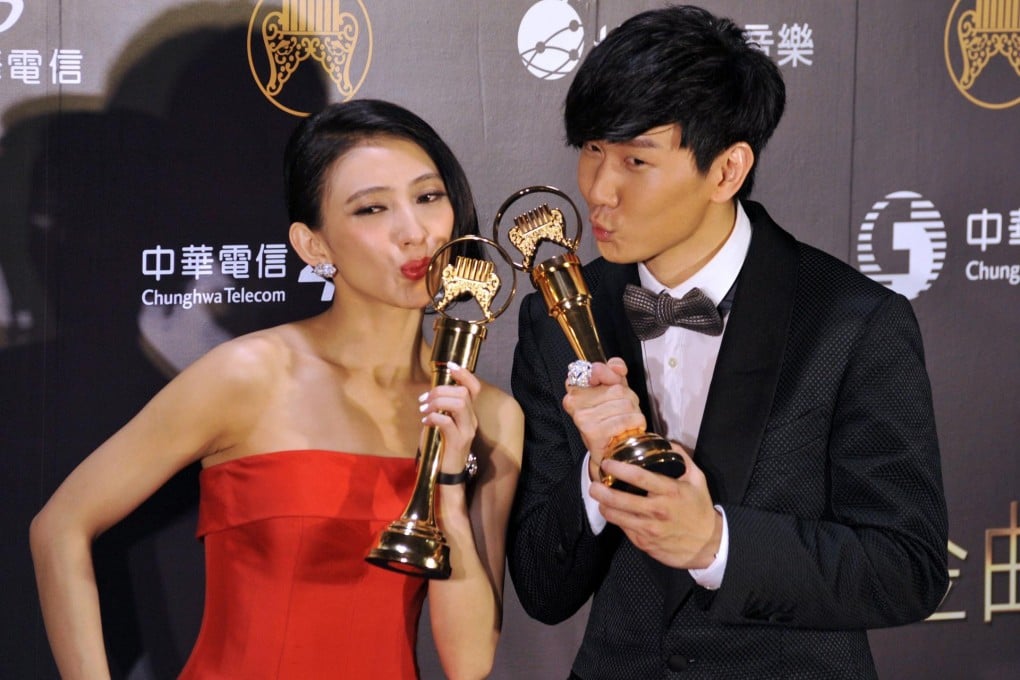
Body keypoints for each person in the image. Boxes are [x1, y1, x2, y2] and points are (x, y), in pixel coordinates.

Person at [506, 6, 948, 679]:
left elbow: (906, 568)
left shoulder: (852, 321)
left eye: (635, 159)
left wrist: (717, 543)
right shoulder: (557, 317)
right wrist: (598, 477)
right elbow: (542, 588)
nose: (598, 188)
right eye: (591, 149)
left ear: (726, 170)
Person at [30, 99, 523, 680]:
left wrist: (448, 483)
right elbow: (60, 527)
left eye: (428, 197)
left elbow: (470, 662)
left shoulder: (488, 413)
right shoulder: (250, 375)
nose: (413, 233)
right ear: (314, 246)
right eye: (371, 208)